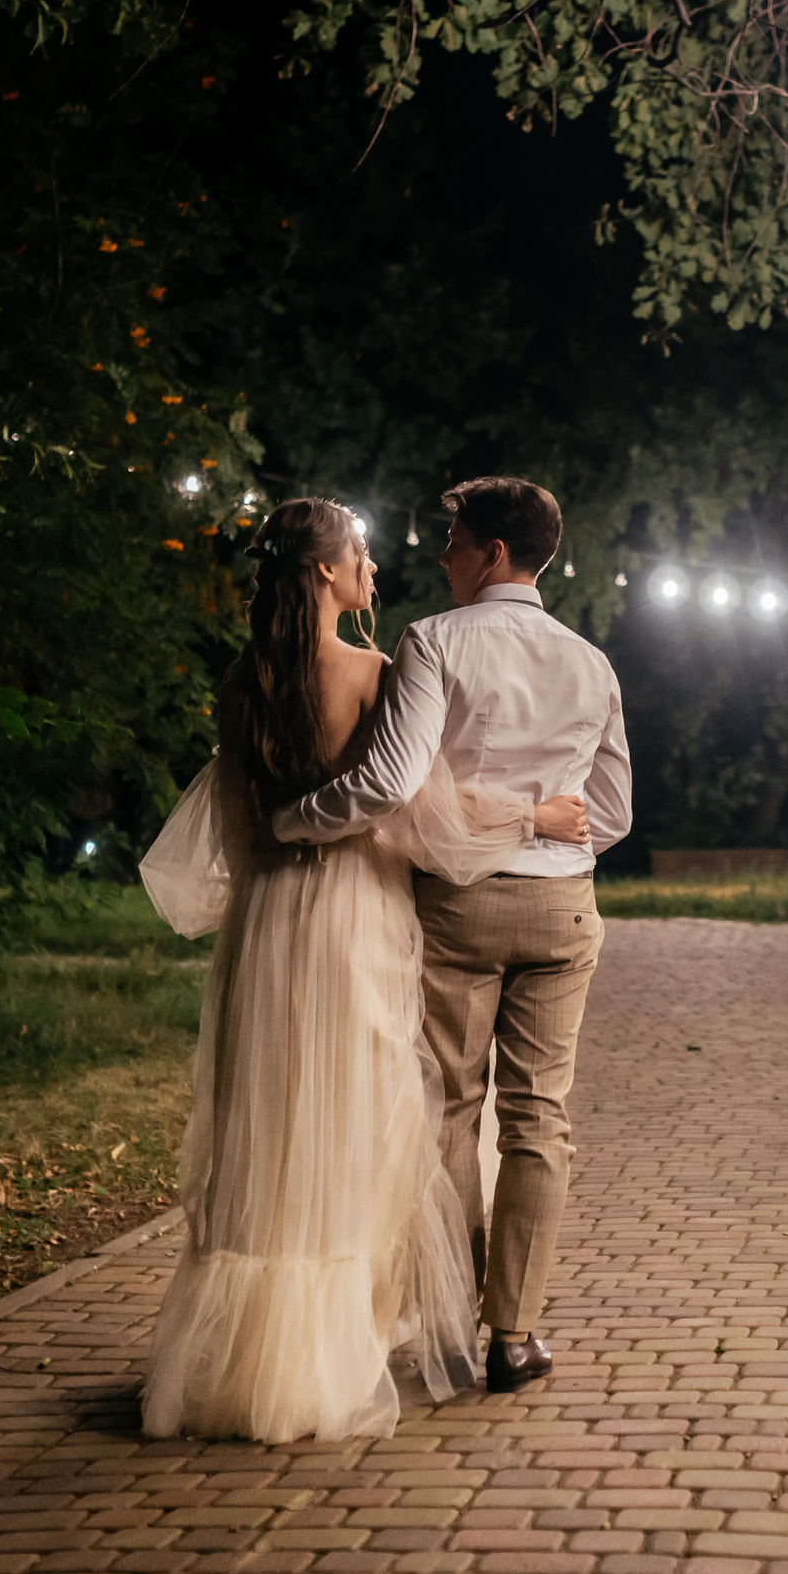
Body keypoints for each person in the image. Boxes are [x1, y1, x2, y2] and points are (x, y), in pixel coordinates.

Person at [134, 497, 592, 1444]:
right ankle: (332, 1354)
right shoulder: (375, 670)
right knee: (355, 1122)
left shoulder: (242, 679)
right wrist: (528, 818)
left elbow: (235, 816)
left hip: (266, 920)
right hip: (352, 911)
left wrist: (277, 851)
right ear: (325, 575)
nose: (375, 573)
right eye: (363, 558)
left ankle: (247, 1359)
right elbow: (414, 806)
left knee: (268, 1126)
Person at [274, 476, 631, 1394]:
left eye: (455, 541)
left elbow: (389, 783)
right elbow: (614, 813)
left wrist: (294, 820)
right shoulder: (592, 662)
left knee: (449, 1115)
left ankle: (449, 1321)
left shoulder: (433, 640)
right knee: (540, 1120)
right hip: (563, 911)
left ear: (496, 555)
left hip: (462, 907)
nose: (442, 556)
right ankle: (514, 1334)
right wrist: (543, 822)